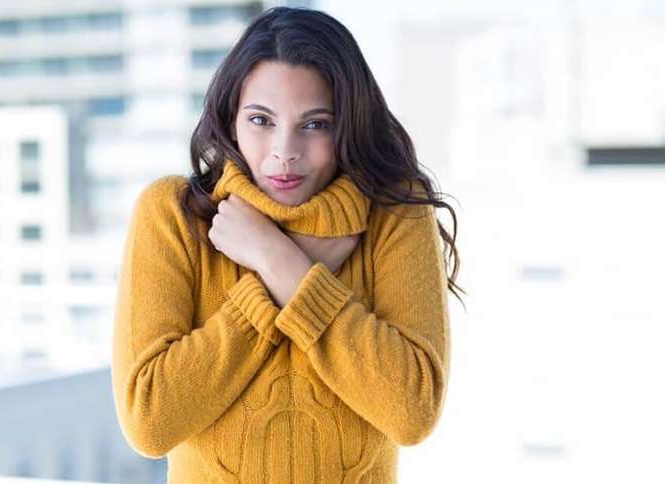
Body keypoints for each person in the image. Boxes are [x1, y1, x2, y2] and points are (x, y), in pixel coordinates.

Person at [111, 6, 465, 483]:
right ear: (230, 118)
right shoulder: (173, 215)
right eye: (261, 120)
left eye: (315, 124)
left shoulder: (395, 215)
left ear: (349, 124)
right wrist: (275, 283)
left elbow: (412, 411)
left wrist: (281, 263)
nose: (285, 150)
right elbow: (149, 421)